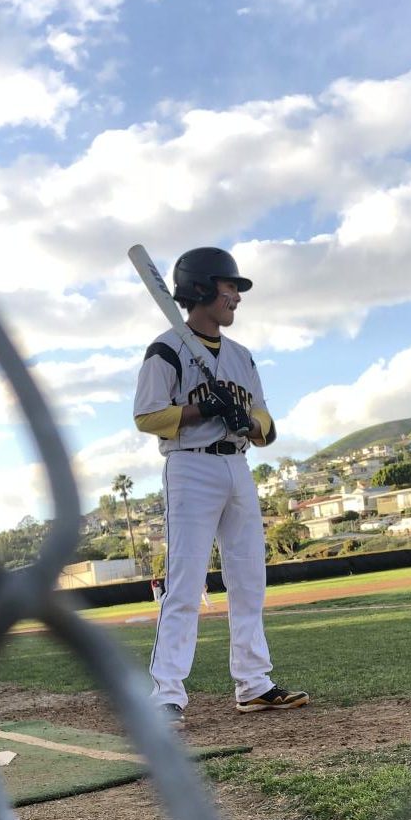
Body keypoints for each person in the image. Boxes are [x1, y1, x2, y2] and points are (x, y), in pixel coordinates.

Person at [133, 246, 309, 726]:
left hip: (238, 466)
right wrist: (199, 410)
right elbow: (147, 416)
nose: (235, 296)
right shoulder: (167, 348)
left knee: (249, 579)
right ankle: (167, 693)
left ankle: (254, 684)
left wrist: (246, 420)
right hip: (190, 466)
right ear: (202, 289)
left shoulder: (240, 355)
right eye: (229, 286)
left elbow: (267, 424)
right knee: (186, 583)